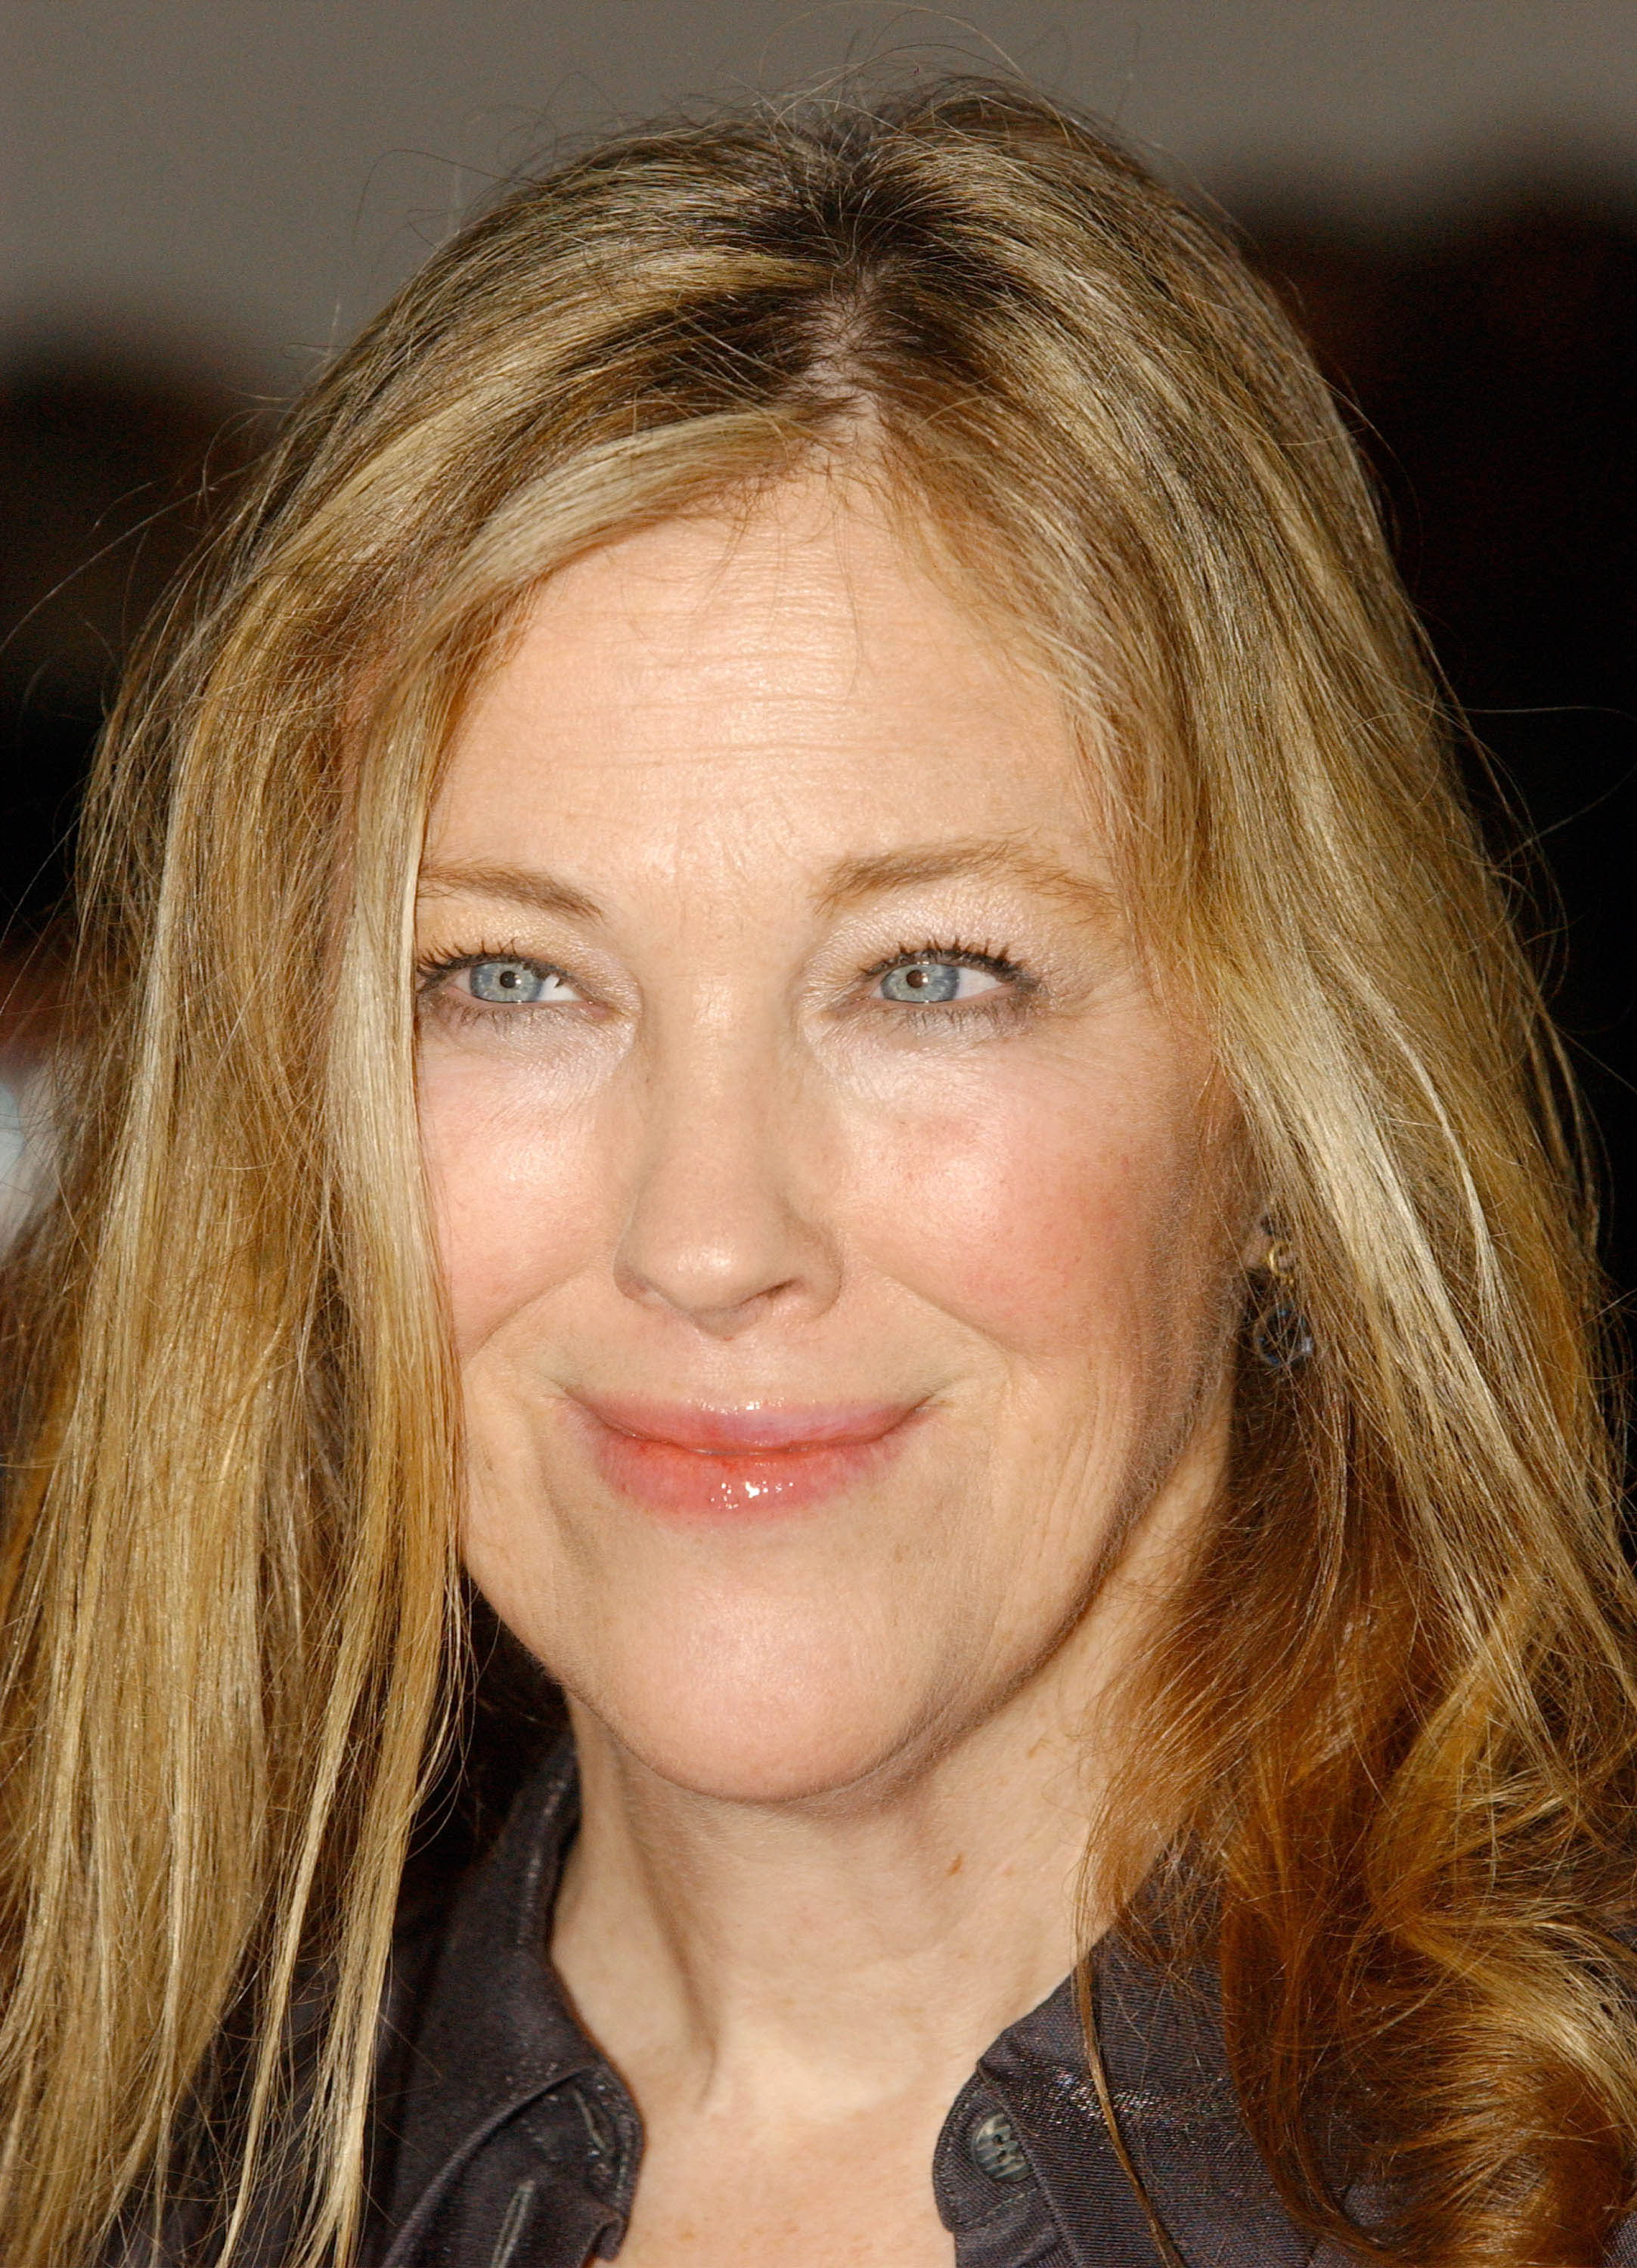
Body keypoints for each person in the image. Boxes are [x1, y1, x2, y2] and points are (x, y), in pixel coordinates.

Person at [2, 79, 1635, 2268]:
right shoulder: (129, 2185)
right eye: (508, 980)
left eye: (929, 976)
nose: (709, 1236)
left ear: (1285, 1107)